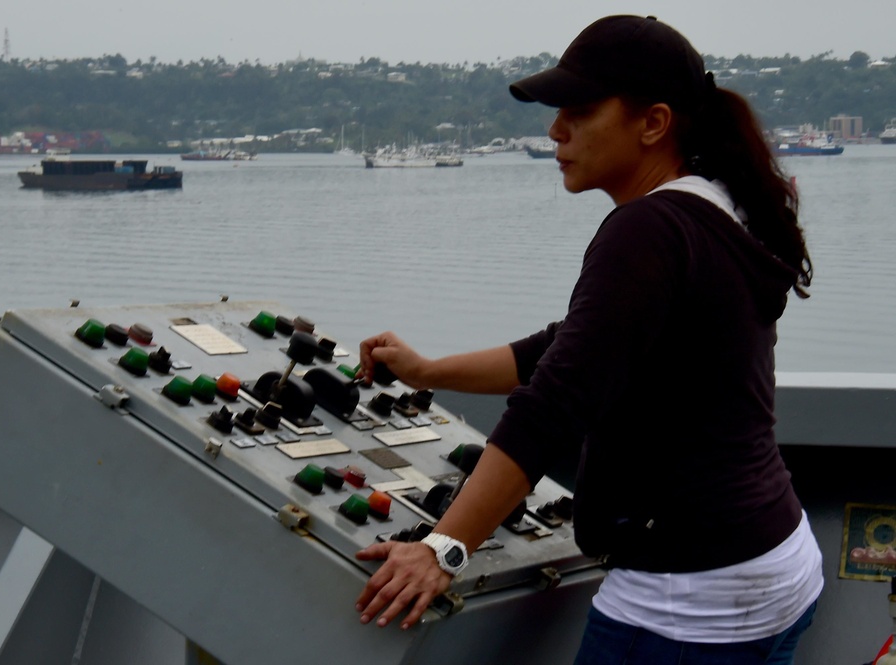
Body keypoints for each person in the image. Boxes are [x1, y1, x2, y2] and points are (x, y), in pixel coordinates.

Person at [353, 14, 824, 665]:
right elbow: (571, 346)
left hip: (689, 599)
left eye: (578, 110)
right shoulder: (716, 205)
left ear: (653, 123)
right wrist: (430, 371)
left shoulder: (647, 229)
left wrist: (444, 546)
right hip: (777, 560)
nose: (556, 130)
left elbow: (555, 404)